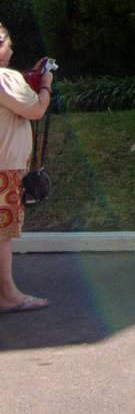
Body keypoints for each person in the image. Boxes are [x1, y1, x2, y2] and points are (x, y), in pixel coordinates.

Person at [0, 22, 51, 312]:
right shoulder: (5, 78)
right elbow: (36, 109)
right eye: (8, 43)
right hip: (4, 168)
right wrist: (45, 84)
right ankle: (7, 295)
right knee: (2, 236)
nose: (12, 48)